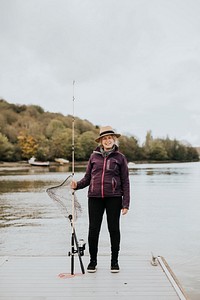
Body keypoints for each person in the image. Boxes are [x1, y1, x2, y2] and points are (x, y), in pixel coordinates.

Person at [71, 125, 130, 273]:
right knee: (93, 230)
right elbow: (88, 178)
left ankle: (114, 261)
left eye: (110, 138)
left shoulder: (120, 158)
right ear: (101, 141)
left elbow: (125, 181)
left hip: (114, 198)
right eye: (105, 138)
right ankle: (93, 261)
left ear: (114, 140)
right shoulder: (93, 157)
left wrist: (126, 203)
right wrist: (77, 185)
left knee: (114, 229)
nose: (108, 140)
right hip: (95, 197)